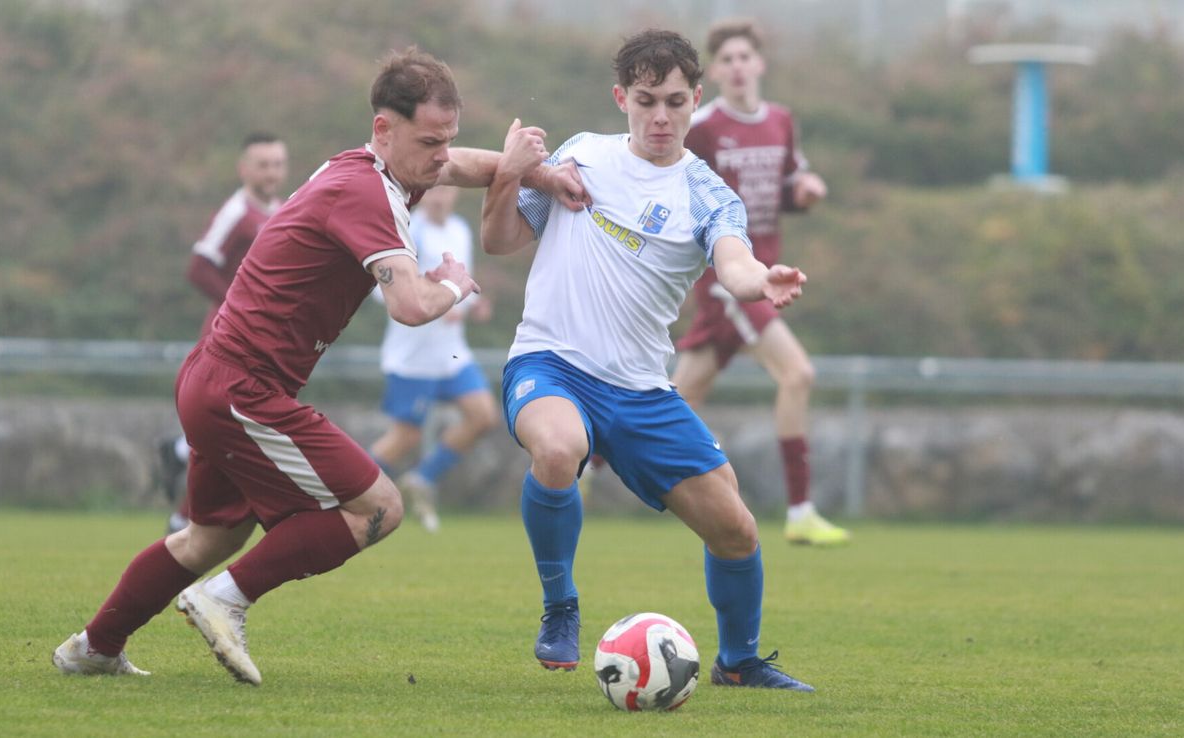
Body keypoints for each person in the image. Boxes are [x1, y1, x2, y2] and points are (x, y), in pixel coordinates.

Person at [53, 47, 584, 685]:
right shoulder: (365, 192)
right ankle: (225, 599)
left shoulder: (376, 168)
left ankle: (93, 648)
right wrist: (455, 284)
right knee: (378, 508)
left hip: (218, 380)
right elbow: (412, 306)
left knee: (207, 539)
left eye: (447, 138)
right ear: (384, 129)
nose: (441, 155)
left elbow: (464, 166)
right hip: (241, 388)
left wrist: (541, 176)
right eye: (429, 141)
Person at [481, 29, 814, 691]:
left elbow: (734, 262)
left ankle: (739, 663)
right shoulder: (583, 154)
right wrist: (509, 172)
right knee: (557, 449)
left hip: (640, 392)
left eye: (674, 101)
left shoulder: (708, 194)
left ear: (696, 100)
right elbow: (497, 240)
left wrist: (759, 280)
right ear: (621, 99)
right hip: (551, 362)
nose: (660, 116)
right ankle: (560, 607)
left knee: (737, 531)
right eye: (645, 101)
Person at [672, 20, 848, 546]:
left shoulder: (780, 121)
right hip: (730, 283)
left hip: (765, 275)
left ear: (760, 64)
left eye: (745, 56)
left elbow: (788, 186)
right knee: (798, 375)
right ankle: (800, 513)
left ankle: (591, 464)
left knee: (674, 400)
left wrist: (807, 193)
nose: (737, 67)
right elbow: (678, 190)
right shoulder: (701, 127)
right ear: (716, 71)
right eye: (726, 59)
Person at [161, 132, 289, 534]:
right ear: (244, 169)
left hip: (261, 339)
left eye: (277, 164)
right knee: (224, 429)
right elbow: (199, 267)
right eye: (262, 164)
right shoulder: (236, 212)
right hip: (227, 338)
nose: (271, 172)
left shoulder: (280, 209)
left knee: (228, 432)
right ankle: (185, 514)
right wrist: (235, 304)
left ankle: (180, 462)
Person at [368, 185, 500, 533]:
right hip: (413, 356)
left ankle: (422, 478)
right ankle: (347, 493)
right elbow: (383, 292)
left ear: (456, 193)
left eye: (447, 189)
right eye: (434, 189)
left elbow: (460, 284)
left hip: (451, 354)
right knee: (406, 437)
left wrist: (472, 304)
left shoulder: (459, 229)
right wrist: (435, 302)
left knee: (483, 415)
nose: (440, 196)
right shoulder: (410, 232)